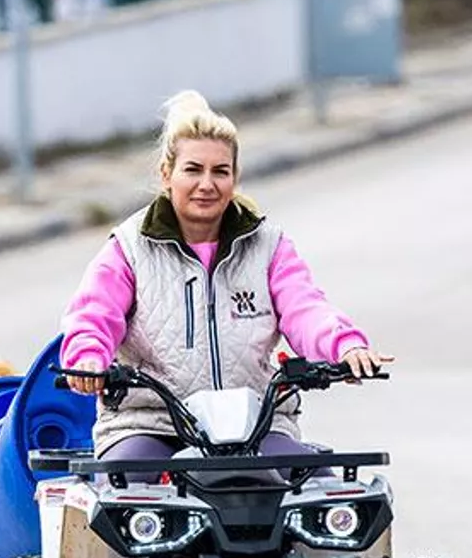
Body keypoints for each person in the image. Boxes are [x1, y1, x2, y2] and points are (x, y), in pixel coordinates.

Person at [59, 90, 392, 467]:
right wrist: (88, 359)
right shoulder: (129, 248)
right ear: (166, 175)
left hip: (257, 425)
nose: (207, 184)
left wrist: (344, 346)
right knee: (123, 495)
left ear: (235, 177)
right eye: (193, 170)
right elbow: (93, 317)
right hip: (150, 422)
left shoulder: (269, 245)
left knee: (321, 497)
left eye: (220, 171)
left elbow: (306, 309)